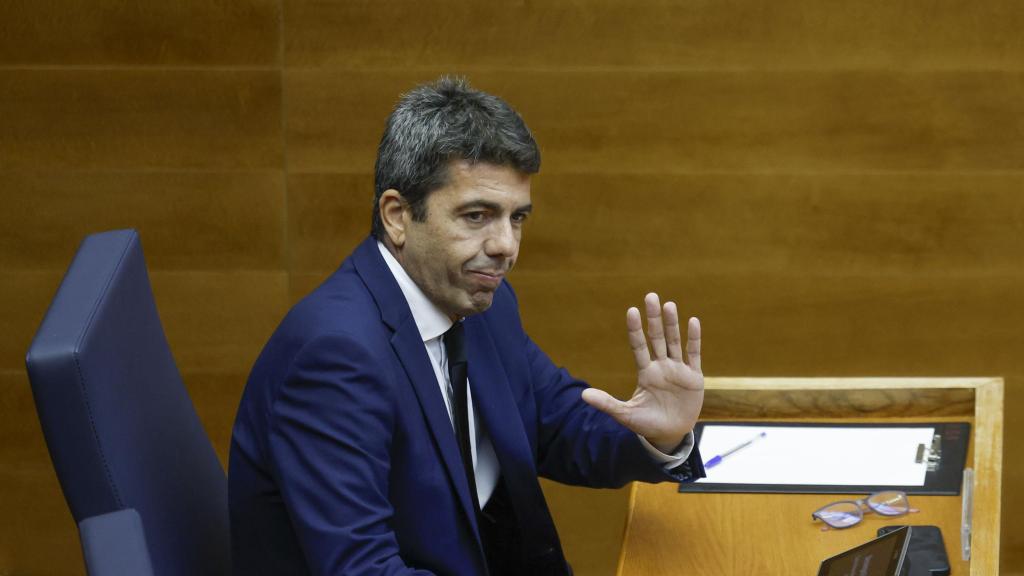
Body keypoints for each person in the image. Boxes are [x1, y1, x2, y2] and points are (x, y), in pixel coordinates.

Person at [228, 77, 706, 576]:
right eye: (477, 215)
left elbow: (554, 422)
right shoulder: (334, 355)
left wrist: (659, 438)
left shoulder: (480, 302)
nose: (506, 246)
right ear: (397, 216)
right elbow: (364, 569)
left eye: (516, 218)